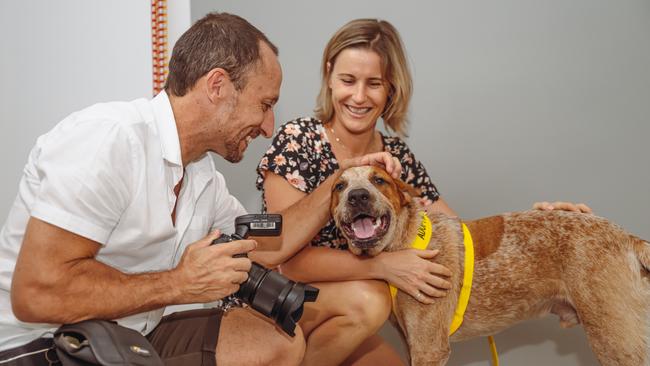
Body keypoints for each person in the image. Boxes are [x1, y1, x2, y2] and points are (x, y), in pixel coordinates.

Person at [0, 13, 403, 366]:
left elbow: (270, 243)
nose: (268, 127)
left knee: (278, 342)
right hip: (45, 345)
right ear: (218, 86)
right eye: (264, 104)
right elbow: (37, 293)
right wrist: (179, 283)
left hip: (137, 331)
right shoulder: (108, 140)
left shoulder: (202, 175)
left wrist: (338, 181)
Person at [256, 18, 592, 366]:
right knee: (372, 300)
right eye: (347, 80)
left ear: (391, 88)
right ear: (329, 75)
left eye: (373, 83)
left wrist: (546, 229)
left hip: (351, 320)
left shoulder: (398, 158)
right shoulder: (297, 141)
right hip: (284, 303)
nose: (358, 96)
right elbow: (286, 263)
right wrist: (384, 266)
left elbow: (461, 242)